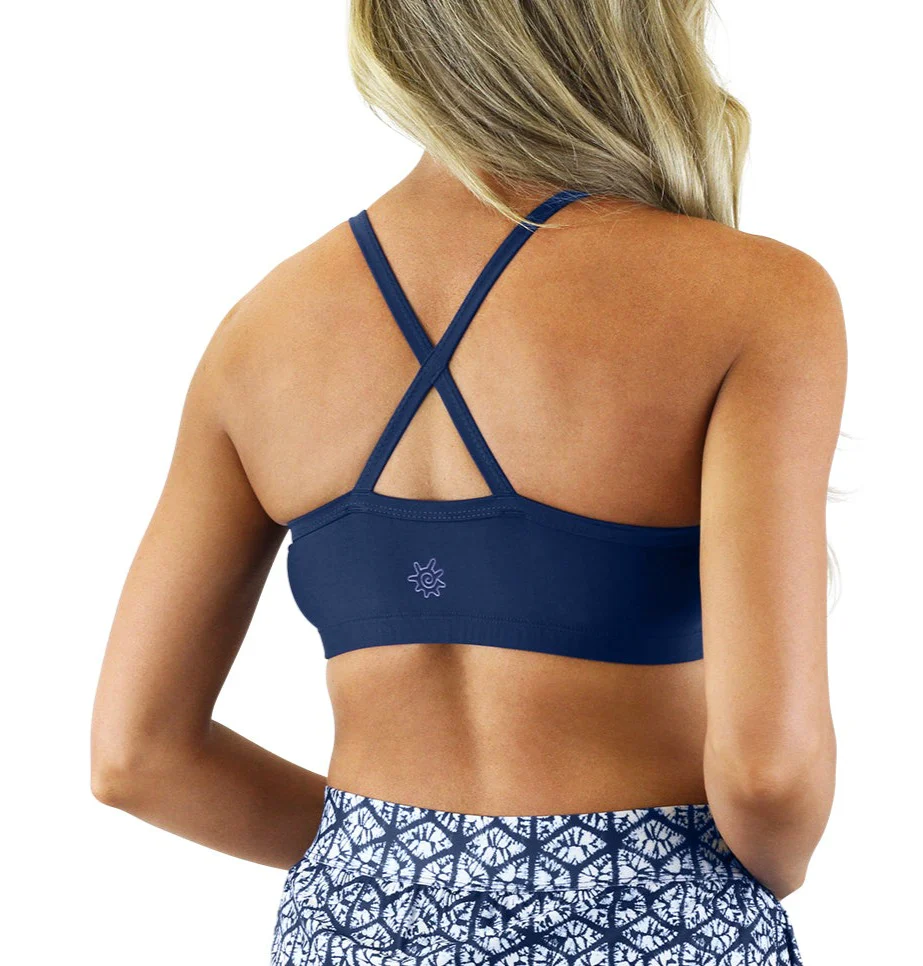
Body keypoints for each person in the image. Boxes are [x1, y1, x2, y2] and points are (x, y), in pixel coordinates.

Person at [91, 2, 847, 963]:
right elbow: (770, 775)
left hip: (351, 930)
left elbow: (135, 755)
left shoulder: (259, 333)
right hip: (649, 918)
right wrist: (721, 880)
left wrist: (385, 858)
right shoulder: (755, 299)